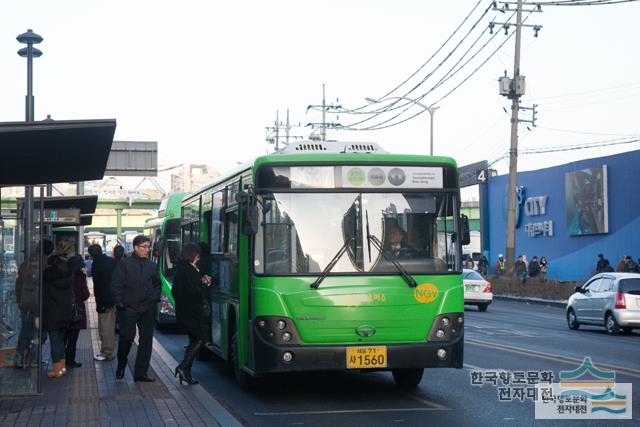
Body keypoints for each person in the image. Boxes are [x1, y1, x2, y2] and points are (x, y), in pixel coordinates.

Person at [111, 235, 161, 382]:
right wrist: (120, 302)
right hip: (128, 307)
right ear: (135, 247)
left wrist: (154, 298)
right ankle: (121, 363)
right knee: (127, 338)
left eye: (148, 247)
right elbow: (116, 284)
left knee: (146, 340)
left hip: (148, 307)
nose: (147, 250)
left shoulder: (152, 265)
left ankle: (141, 372)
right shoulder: (124, 264)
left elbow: (158, 284)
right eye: (144, 247)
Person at [172, 243, 212, 385]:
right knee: (200, 339)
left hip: (186, 311)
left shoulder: (183, 269)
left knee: (193, 340)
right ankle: (182, 367)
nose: (199, 258)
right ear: (193, 255)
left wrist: (200, 281)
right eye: (197, 255)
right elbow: (193, 291)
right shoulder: (188, 270)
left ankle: (186, 374)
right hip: (191, 312)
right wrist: (204, 284)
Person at [15, 239, 54, 368]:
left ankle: (21, 357)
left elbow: (18, 284)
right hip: (39, 303)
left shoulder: (26, 263)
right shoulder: (46, 264)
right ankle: (32, 357)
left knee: (26, 331)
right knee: (40, 333)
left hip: (25, 303)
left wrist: (19, 300)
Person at [42, 255, 73, 378]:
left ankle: (56, 370)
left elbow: (44, 299)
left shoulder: (48, 279)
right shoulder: (68, 277)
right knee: (60, 341)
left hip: (52, 314)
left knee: (55, 342)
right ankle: (62, 367)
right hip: (65, 313)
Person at [90, 244, 117, 362]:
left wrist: (101, 303)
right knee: (109, 327)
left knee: (105, 328)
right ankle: (107, 351)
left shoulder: (97, 265)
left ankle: (107, 353)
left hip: (103, 301)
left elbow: (99, 286)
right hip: (112, 299)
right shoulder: (111, 262)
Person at [64, 255, 90, 369]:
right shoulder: (80, 277)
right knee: (73, 339)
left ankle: (59, 360)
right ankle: (70, 360)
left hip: (62, 310)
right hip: (76, 311)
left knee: (62, 337)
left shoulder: (62, 275)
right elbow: (85, 295)